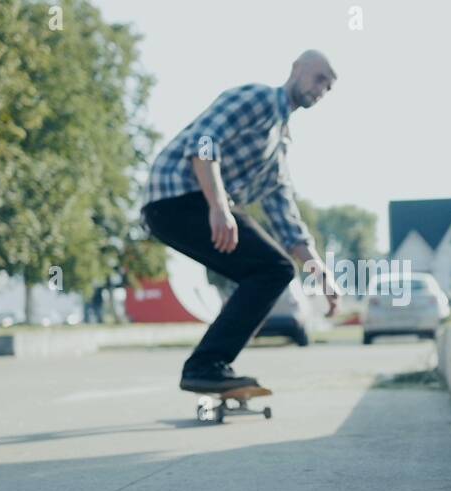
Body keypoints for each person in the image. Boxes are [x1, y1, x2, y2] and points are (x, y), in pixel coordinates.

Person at [141, 50, 341, 393]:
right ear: (296, 69)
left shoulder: (278, 146)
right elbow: (203, 141)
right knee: (273, 268)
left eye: (329, 86)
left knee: (268, 271)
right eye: (319, 77)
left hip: (186, 207)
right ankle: (206, 365)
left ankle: (210, 365)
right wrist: (219, 206)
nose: (322, 89)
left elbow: (285, 219)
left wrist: (321, 274)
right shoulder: (258, 98)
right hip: (174, 197)